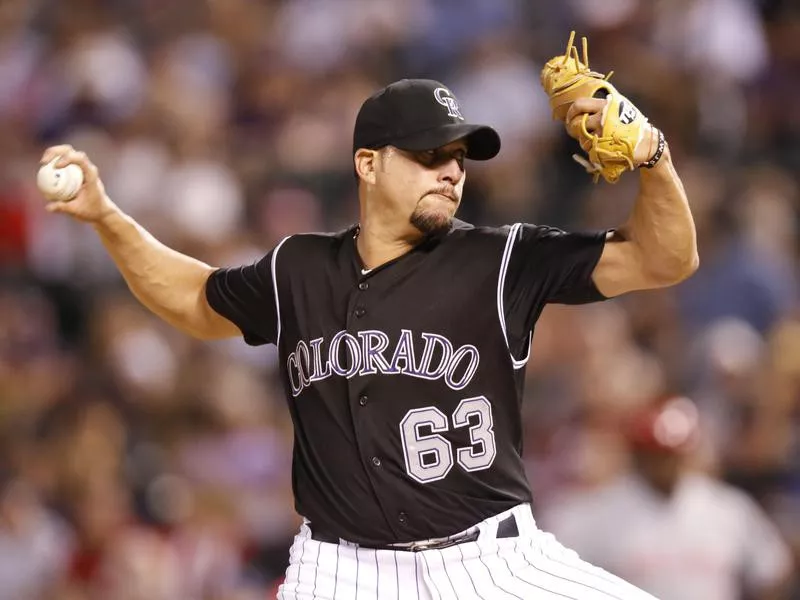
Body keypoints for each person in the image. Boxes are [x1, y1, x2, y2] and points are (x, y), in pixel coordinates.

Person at [40, 77, 698, 599]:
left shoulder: (501, 260)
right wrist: (105, 215)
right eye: (429, 154)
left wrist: (655, 159)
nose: (452, 171)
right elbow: (193, 298)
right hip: (341, 573)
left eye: (459, 159)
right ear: (368, 164)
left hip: (494, 561)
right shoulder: (298, 268)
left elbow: (664, 260)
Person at [542, 396, 794, 600]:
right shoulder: (598, 511)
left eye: (672, 454)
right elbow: (551, 578)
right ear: (638, 454)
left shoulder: (726, 508)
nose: (665, 464)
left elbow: (771, 570)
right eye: (656, 454)